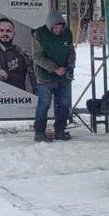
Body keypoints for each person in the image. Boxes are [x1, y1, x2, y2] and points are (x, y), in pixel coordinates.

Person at [31, 10, 75, 142]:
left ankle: (60, 130)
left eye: (60, 27)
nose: (58, 30)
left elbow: (71, 51)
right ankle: (39, 132)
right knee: (44, 103)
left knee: (64, 103)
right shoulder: (39, 34)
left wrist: (70, 67)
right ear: (49, 26)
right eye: (55, 28)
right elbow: (37, 57)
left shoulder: (67, 33)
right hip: (45, 76)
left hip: (63, 76)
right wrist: (54, 68)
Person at [0, 17, 35, 92]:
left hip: (20, 99)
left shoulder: (24, 54)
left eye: (8, 31)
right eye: (1, 31)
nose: (5, 34)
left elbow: (36, 83)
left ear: (14, 33)